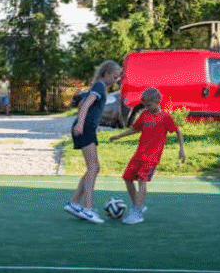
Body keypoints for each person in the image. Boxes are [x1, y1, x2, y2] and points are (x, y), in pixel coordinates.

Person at [109, 86, 186, 225]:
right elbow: (134, 129)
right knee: (127, 178)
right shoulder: (145, 114)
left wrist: (181, 149)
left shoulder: (165, 117)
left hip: (152, 157)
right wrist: (119, 136)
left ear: (157, 101)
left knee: (141, 180)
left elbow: (178, 131)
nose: (146, 107)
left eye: (149, 104)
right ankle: (138, 205)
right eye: (145, 105)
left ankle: (137, 213)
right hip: (139, 154)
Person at [64, 59, 122, 223]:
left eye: (118, 77)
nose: (116, 80)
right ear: (106, 74)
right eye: (115, 76)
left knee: (94, 168)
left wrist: (91, 123)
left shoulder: (97, 87)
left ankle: (75, 203)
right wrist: (82, 123)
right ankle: (87, 209)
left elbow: (82, 103)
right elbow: (86, 105)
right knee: (93, 167)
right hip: (85, 129)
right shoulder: (100, 86)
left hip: (88, 128)